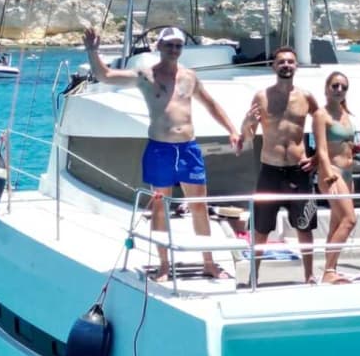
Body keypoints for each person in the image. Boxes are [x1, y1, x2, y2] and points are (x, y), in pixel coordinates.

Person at [82, 25, 241, 280]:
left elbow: (211, 104)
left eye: (178, 45)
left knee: (199, 206)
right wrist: (92, 51)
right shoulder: (145, 76)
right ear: (159, 47)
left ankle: (209, 263)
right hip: (160, 149)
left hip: (188, 148)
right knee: (159, 207)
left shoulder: (190, 77)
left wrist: (232, 129)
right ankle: (164, 265)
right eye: (169, 45)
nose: (174, 49)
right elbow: (106, 76)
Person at [242, 46, 320, 283]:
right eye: (281, 62)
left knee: (304, 227)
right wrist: (246, 121)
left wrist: (317, 157)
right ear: (274, 66)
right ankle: (253, 277)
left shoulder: (306, 97)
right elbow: (248, 134)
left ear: (296, 66)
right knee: (261, 229)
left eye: (290, 62)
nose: (286, 65)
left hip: (299, 171)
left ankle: (309, 275)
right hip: (270, 170)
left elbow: (323, 122)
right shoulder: (261, 96)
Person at [313, 71, 358, 284]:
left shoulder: (345, 114)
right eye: (335, 86)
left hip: (348, 173)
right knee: (350, 220)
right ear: (326, 89)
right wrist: (329, 175)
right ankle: (329, 269)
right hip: (332, 172)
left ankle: (331, 270)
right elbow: (321, 150)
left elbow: (347, 145)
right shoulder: (321, 115)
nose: (339, 90)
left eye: (343, 87)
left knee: (336, 223)